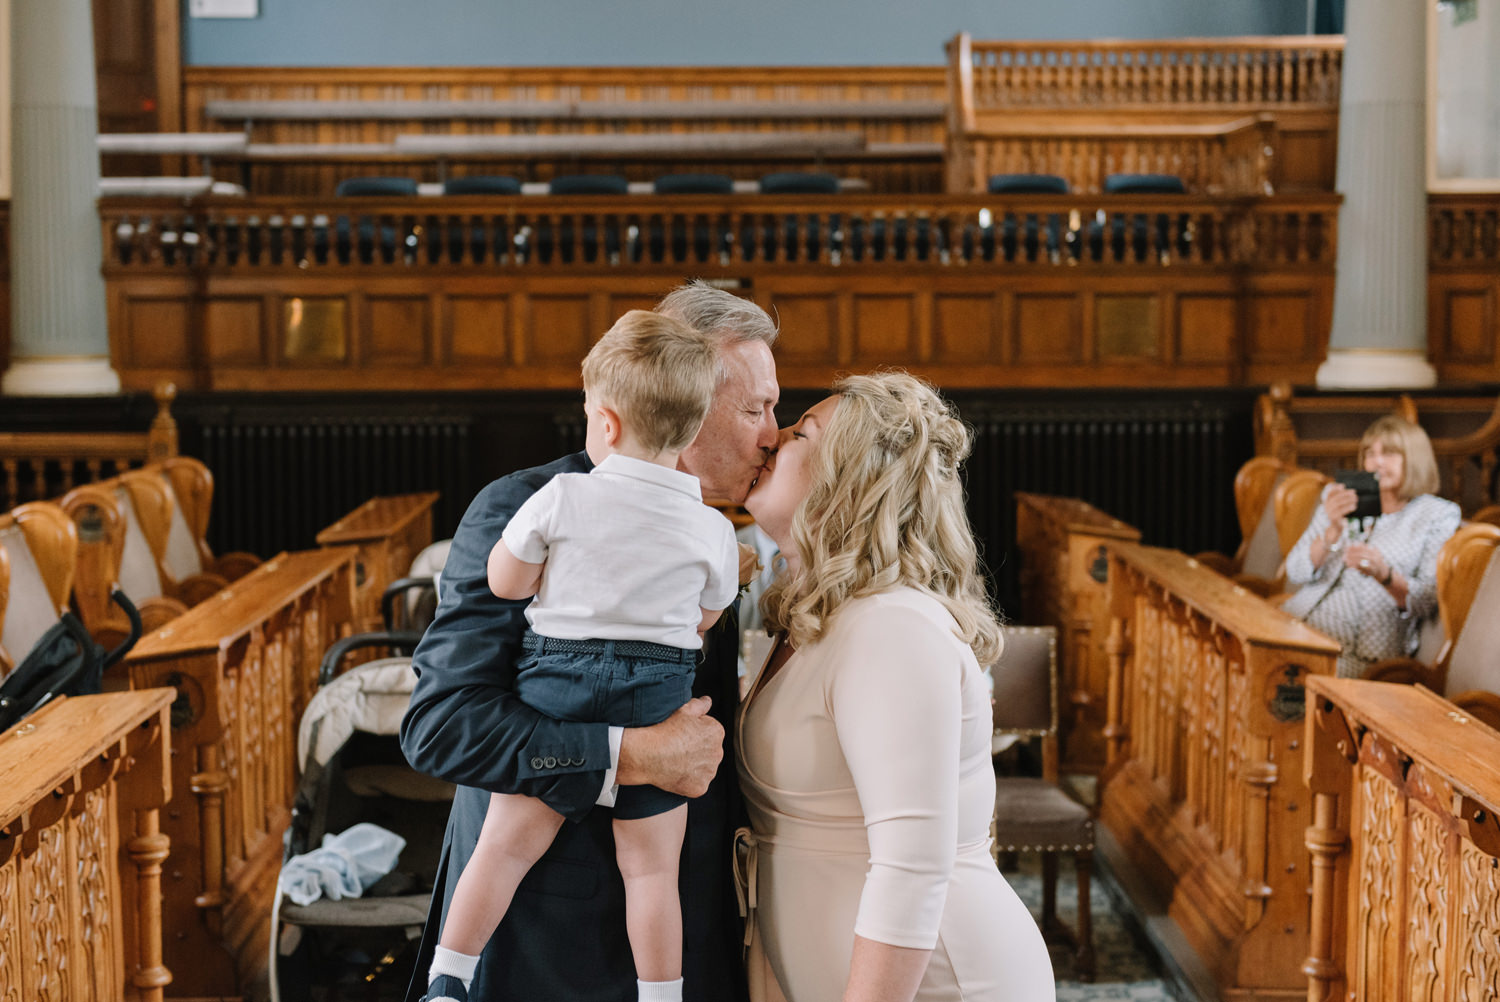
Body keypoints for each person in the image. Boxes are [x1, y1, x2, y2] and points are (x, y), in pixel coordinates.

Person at [400, 280, 780, 1002]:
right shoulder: (526, 507)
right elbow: (441, 729)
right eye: (756, 408)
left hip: (685, 938)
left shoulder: (708, 530)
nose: (772, 433)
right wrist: (629, 756)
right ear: (688, 403)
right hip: (549, 948)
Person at [736, 372, 1056, 1002]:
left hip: (941, 983)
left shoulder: (891, 625)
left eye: (801, 431)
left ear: (848, 476)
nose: (772, 439)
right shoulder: (818, 615)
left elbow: (911, 868)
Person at [1282, 414, 1461, 679]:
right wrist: (1331, 533)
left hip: (1358, 651)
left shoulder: (1436, 514)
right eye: (1369, 453)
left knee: (1275, 673)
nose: (1376, 462)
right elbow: (1295, 570)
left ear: (1414, 458)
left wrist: (1384, 574)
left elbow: (1426, 599)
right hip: (1297, 622)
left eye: (1389, 453)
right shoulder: (1341, 495)